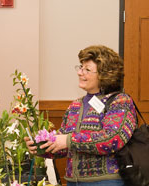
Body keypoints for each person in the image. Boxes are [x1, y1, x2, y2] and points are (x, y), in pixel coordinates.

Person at [25, 45, 137, 186]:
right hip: (73, 181)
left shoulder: (120, 101)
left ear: (104, 74)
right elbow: (65, 145)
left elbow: (112, 139)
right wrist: (42, 147)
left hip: (106, 181)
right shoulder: (75, 106)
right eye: (80, 67)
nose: (79, 72)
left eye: (87, 69)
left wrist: (67, 140)